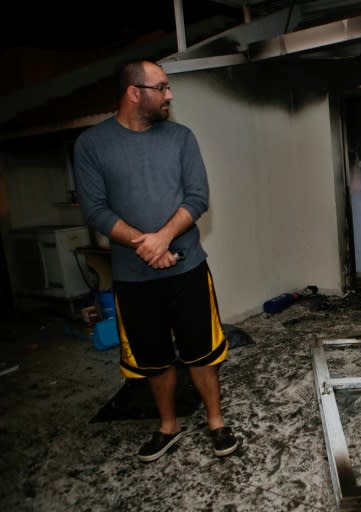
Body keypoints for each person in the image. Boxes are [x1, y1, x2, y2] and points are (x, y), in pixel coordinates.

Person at [73, 59, 238, 462]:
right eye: (161, 87)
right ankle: (168, 426)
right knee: (153, 357)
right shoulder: (92, 145)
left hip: (188, 269)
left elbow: (197, 196)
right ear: (134, 92)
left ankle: (215, 421)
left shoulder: (181, 137)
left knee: (202, 350)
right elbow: (94, 210)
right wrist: (143, 245)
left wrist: (161, 238)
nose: (170, 94)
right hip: (132, 277)